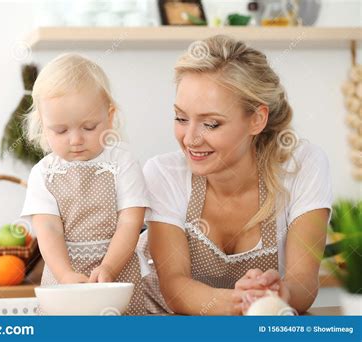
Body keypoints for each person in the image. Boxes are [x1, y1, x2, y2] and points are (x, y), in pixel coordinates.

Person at [138, 35, 333, 315]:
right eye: (181, 118)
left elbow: (303, 282)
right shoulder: (163, 174)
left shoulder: (302, 166)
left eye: (211, 124)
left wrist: (279, 293)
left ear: (257, 119)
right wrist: (244, 302)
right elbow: (175, 289)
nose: (190, 139)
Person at [20, 53, 149, 315]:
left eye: (89, 127)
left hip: (118, 275)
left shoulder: (123, 163)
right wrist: (66, 276)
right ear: (43, 127)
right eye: (60, 130)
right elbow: (49, 231)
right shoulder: (43, 174)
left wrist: (110, 267)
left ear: (109, 116)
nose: (76, 139)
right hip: (65, 279)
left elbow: (130, 222)